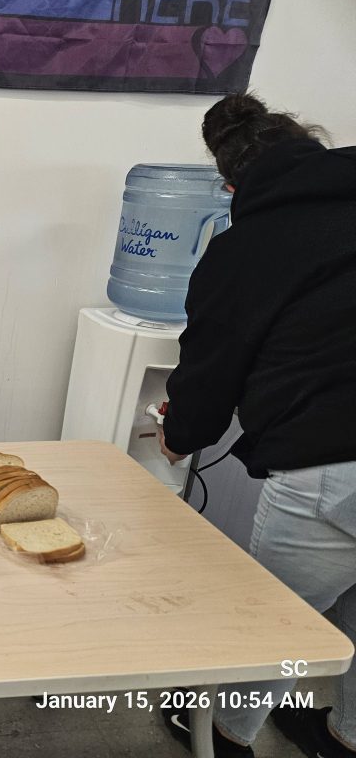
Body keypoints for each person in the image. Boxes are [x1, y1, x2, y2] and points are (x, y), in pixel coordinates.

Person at [157, 92, 356, 757]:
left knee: (275, 623)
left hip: (332, 462)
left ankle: (222, 732)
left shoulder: (249, 246)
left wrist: (178, 436)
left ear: (232, 185)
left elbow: (211, 365)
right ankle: (343, 736)